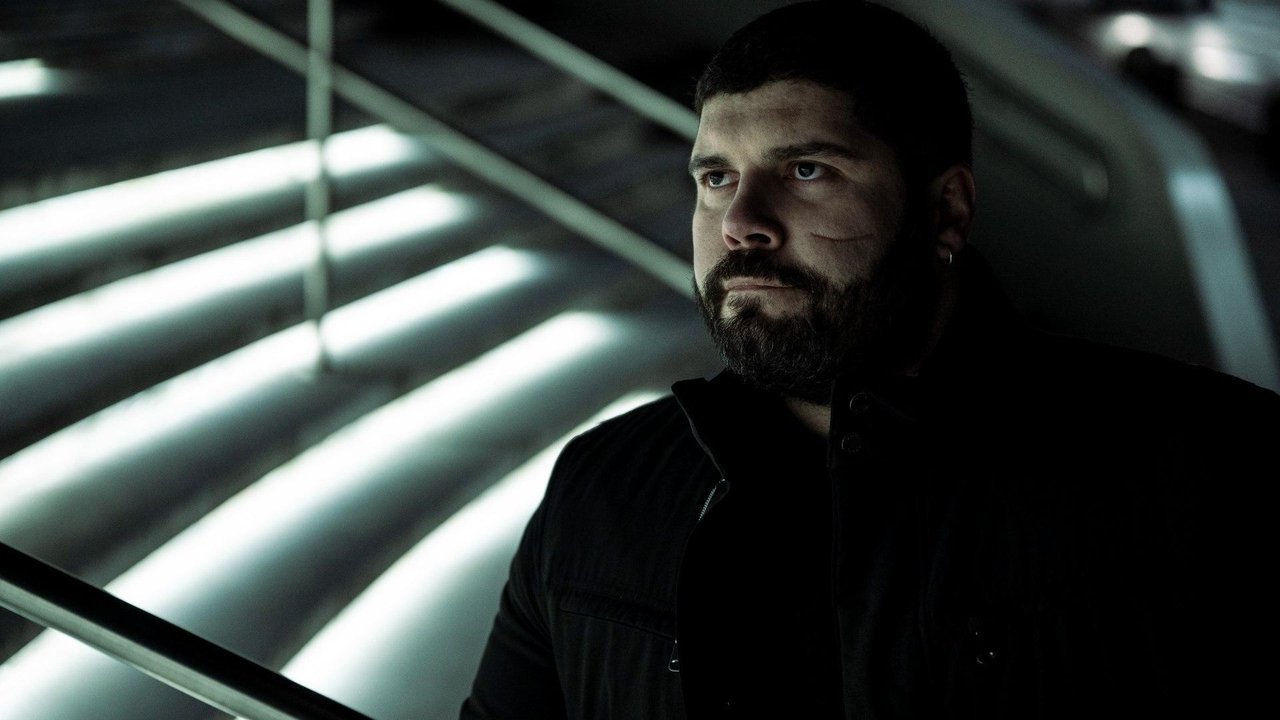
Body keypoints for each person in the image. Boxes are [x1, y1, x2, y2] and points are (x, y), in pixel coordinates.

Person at [460, 2, 1278, 718]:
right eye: (716, 178)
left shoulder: (1213, 465)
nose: (741, 222)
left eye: (805, 170)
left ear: (945, 210)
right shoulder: (601, 488)